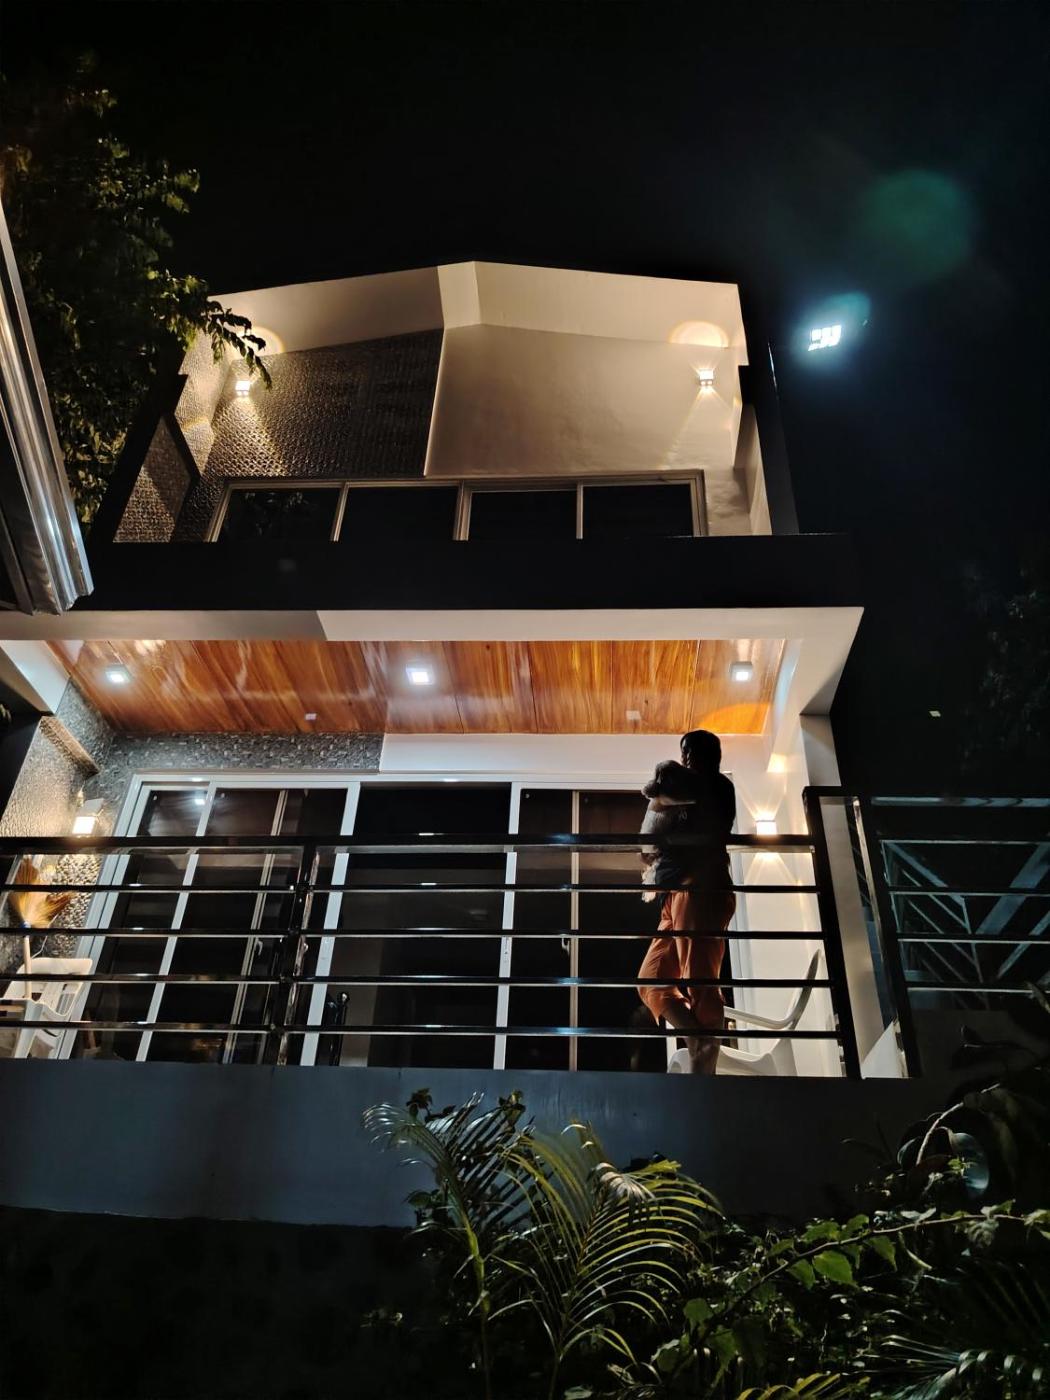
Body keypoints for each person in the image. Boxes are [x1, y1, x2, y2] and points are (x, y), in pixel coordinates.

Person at [636, 729, 736, 1074]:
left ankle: (704, 1072)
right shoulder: (681, 791)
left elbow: (706, 822)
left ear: (713, 754)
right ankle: (698, 1041)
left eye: (694, 749)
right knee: (651, 979)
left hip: (702, 888)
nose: (688, 756)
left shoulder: (717, 786)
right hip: (675, 895)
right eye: (684, 751)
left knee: (699, 980)